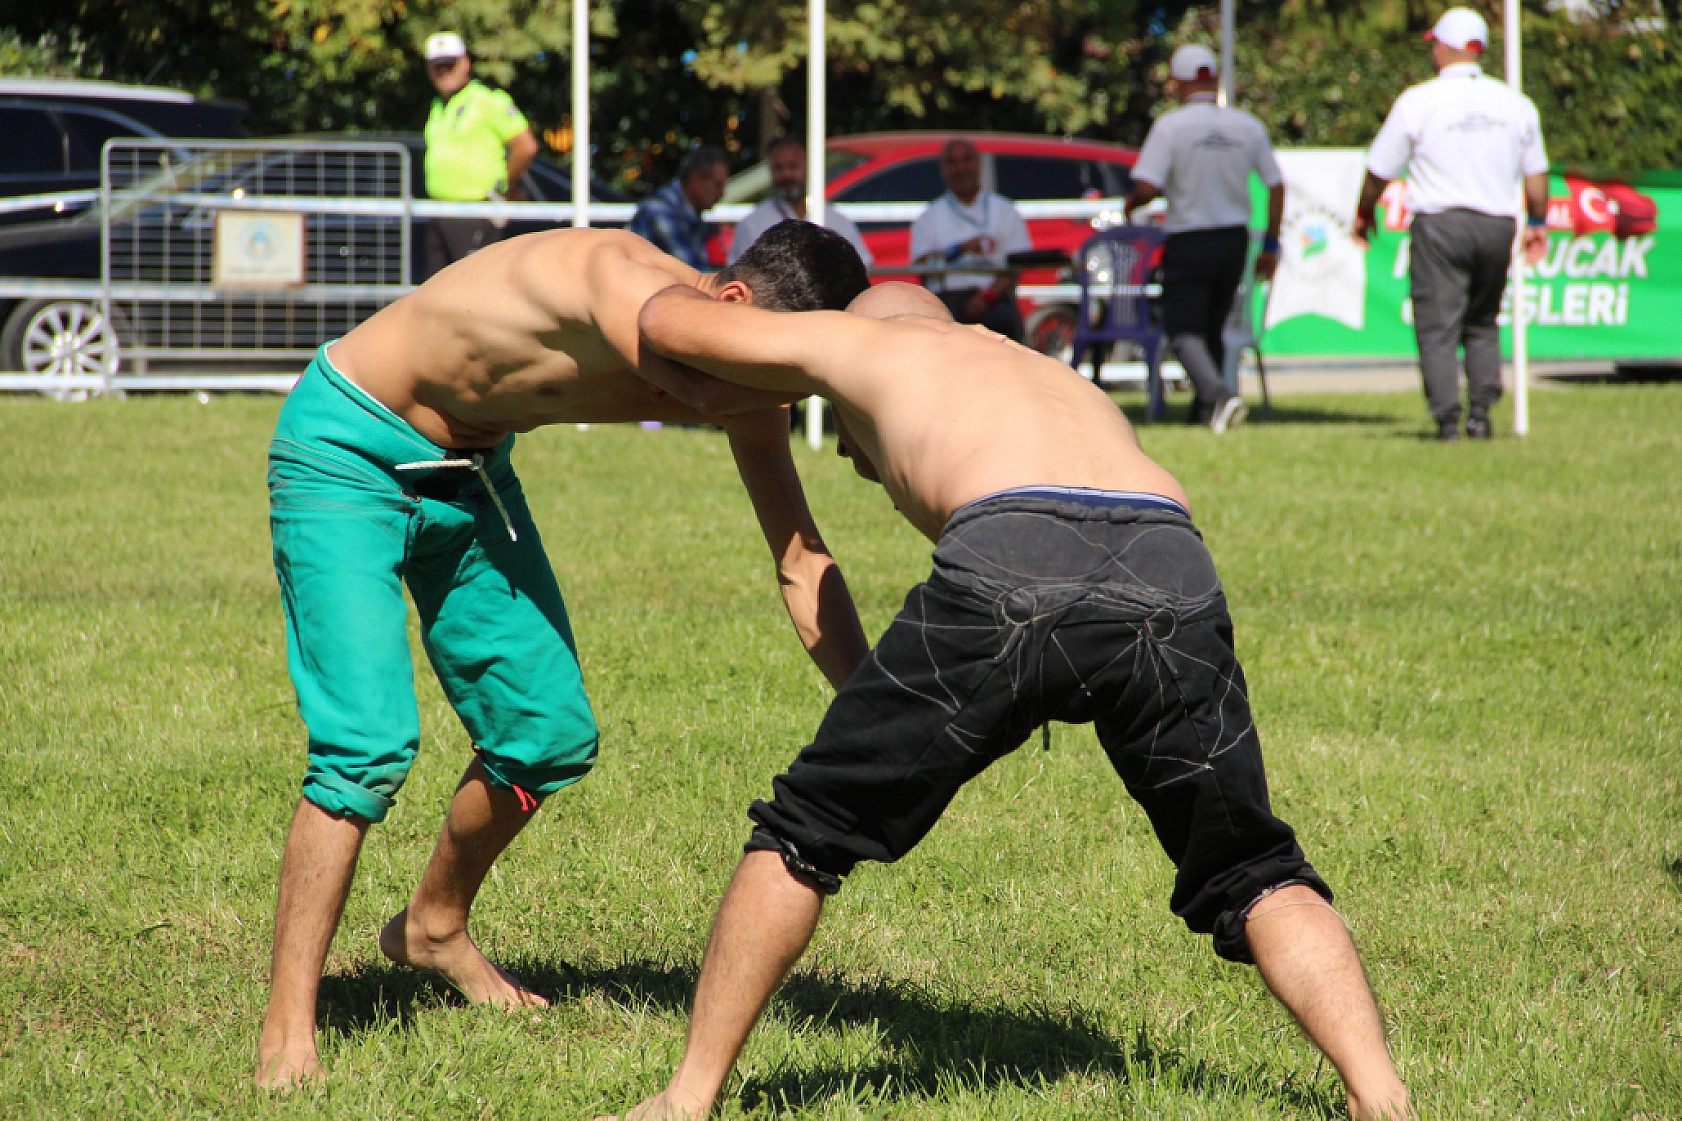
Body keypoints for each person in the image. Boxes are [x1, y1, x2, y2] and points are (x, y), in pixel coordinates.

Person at [605, 282, 1414, 1121]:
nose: (849, 449)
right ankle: (1380, 1094)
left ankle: (684, 1099)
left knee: (804, 832)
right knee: (1254, 868)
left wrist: (688, 295)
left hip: (1013, 556)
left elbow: (665, 320)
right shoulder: (1042, 367)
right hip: (1170, 559)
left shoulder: (865, 340)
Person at [254, 222, 872, 1090]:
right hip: (347, 448)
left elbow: (800, 559)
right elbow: (672, 358)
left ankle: (432, 926)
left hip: (470, 475)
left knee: (544, 734)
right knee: (366, 743)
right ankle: (286, 1029)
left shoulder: (740, 375)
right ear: (733, 304)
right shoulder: (617, 279)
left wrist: (880, 708)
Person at [1353, 7, 1550, 441]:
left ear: (1444, 47)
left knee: (1437, 325)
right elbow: (1536, 175)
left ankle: (1446, 419)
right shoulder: (1515, 103)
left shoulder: (1419, 101)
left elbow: (1379, 170)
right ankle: (1481, 414)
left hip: (1441, 224)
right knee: (1482, 320)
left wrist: (1363, 213)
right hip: (1497, 224)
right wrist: (1538, 221)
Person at [1125, 44, 1285, 433]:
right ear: (1213, 79)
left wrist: (1130, 204)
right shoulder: (1246, 125)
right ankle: (1205, 414)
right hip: (1233, 240)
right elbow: (1276, 185)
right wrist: (1270, 243)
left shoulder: (1171, 127)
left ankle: (1219, 396)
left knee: (1183, 330)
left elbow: (1146, 187)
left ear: (1176, 82)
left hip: (1189, 238)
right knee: (1211, 327)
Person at [420, 32, 539, 278]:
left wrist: (506, 187)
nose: (444, 72)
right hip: (441, 211)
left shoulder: (486, 100)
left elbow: (525, 145)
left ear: (465, 63)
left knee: (473, 286)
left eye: (449, 65)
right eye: (437, 66)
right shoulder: (438, 105)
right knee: (437, 291)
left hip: (474, 213)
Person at [908, 139, 1031, 341]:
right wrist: (958, 250)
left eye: (966, 160)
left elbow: (1016, 265)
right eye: (952, 163)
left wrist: (986, 298)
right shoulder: (929, 217)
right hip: (947, 299)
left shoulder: (1005, 210)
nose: (960, 168)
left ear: (978, 164)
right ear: (943, 170)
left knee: (1005, 324)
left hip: (993, 298)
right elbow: (920, 265)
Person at [728, 135, 873, 268]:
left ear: (808, 167)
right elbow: (738, 274)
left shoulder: (835, 220)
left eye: (793, 166)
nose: (787, 174)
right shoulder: (752, 224)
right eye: (779, 168)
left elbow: (861, 268)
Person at [627, 147, 730, 269]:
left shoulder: (689, 212)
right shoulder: (659, 210)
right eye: (718, 185)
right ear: (695, 179)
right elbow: (690, 270)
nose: (722, 193)